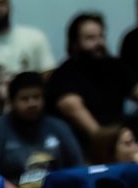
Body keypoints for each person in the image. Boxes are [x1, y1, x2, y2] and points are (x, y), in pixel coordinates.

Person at [0, 70, 79, 188]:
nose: (32, 103)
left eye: (36, 97)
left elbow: (77, 168)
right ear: (12, 101)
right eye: (24, 99)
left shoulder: (58, 126)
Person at [45, 13, 130, 146]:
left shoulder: (115, 66)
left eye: (101, 36)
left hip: (121, 138)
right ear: (75, 44)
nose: (99, 43)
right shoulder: (64, 75)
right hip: (89, 144)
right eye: (91, 38)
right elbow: (95, 132)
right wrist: (115, 141)